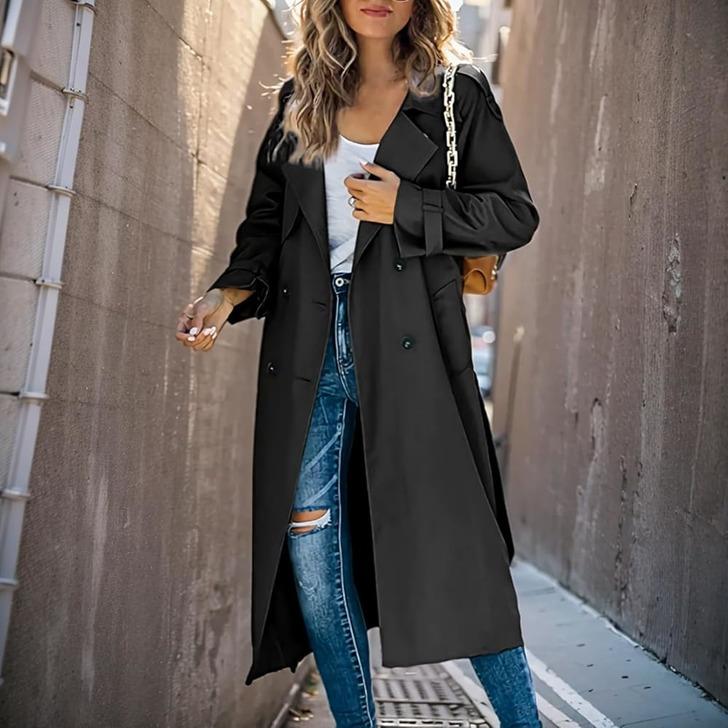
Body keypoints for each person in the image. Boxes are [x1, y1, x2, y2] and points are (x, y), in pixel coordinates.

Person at [176, 0, 541, 725]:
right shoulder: (302, 97)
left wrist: (410, 207)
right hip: (308, 354)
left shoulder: (454, 92)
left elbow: (512, 212)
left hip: (414, 350)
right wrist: (225, 295)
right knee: (314, 558)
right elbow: (267, 227)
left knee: (460, 555)